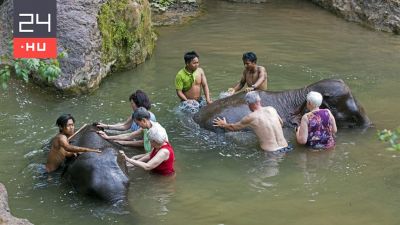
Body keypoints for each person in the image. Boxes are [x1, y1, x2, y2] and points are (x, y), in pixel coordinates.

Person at [213, 91, 291, 152]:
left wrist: (223, 124)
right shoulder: (271, 109)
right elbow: (281, 123)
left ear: (248, 103)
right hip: (286, 147)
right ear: (259, 100)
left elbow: (233, 127)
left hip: (271, 153)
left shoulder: (251, 117)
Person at [98, 107, 167, 152]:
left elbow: (153, 153)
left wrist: (133, 159)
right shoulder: (147, 127)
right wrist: (108, 137)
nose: (137, 125)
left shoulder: (154, 132)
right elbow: (129, 136)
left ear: (143, 120)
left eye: (137, 123)